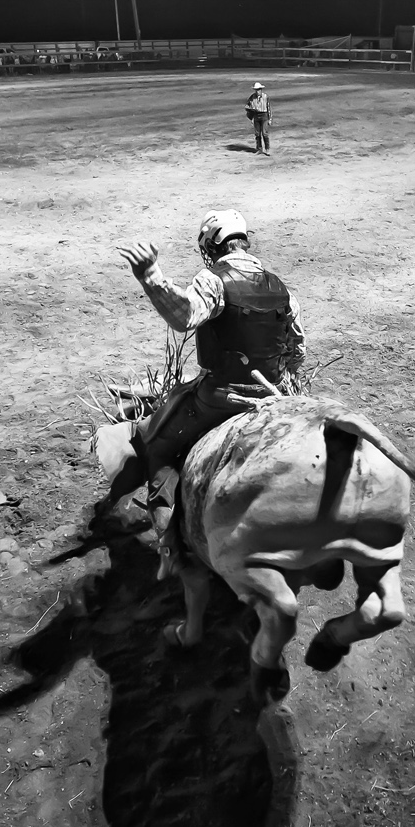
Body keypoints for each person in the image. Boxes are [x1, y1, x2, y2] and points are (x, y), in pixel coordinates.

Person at [101, 210, 305, 578]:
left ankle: (169, 547)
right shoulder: (280, 287)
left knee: (159, 448)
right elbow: (297, 349)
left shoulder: (214, 280)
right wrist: (285, 380)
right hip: (274, 395)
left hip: (220, 398)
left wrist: (151, 276)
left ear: (211, 246)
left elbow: (185, 316)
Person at [244, 82, 272, 155]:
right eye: (256, 90)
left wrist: (270, 119)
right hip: (256, 115)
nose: (257, 91)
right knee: (257, 134)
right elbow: (246, 106)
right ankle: (259, 149)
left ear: (261, 89)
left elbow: (269, 108)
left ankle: (267, 149)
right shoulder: (252, 97)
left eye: (259, 89)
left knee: (265, 133)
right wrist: (251, 114)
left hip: (264, 115)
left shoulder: (265, 97)